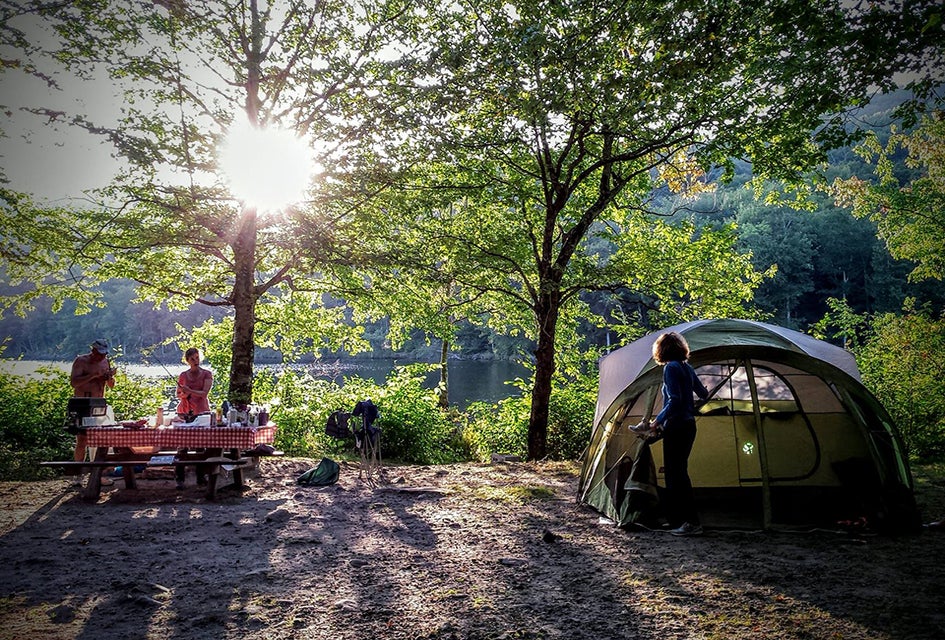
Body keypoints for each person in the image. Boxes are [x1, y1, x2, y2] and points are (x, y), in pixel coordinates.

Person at [650, 331, 709, 537]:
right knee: (678, 472)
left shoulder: (670, 368)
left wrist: (657, 420)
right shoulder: (687, 367)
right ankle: (679, 520)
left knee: (676, 475)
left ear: (661, 350)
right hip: (689, 425)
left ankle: (690, 522)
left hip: (676, 426)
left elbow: (673, 400)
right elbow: (704, 393)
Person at [70, 339, 117, 471]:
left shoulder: (105, 361)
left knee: (102, 439)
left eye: (105, 354)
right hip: (83, 403)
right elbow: (74, 383)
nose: (102, 356)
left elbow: (111, 386)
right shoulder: (81, 361)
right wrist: (92, 376)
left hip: (99, 404)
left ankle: (98, 473)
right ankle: (78, 473)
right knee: (82, 440)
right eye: (100, 353)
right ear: (93, 351)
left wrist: (109, 377)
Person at [175, 347, 213, 489]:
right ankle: (180, 479)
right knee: (182, 446)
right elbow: (178, 394)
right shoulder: (183, 375)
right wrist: (184, 394)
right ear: (187, 361)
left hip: (201, 412)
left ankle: (201, 477)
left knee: (200, 446)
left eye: (197, 358)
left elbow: (204, 393)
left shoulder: (207, 374)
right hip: (184, 412)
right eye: (192, 359)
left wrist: (190, 390)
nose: (195, 361)